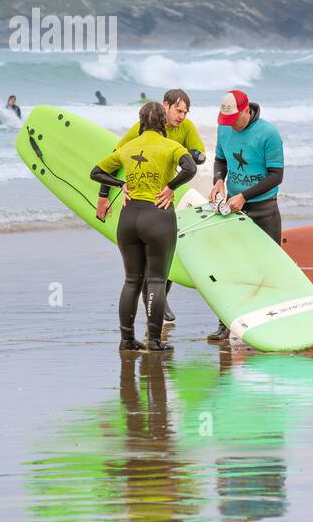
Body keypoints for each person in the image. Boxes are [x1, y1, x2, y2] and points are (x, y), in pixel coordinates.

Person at [89, 101, 197, 351]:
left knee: (131, 281)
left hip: (128, 220)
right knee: (157, 280)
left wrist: (119, 185)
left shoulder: (128, 148)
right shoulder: (171, 146)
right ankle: (155, 340)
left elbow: (96, 172)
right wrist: (171, 188)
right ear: (163, 123)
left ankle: (126, 340)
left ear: (141, 122)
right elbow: (190, 168)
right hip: (157, 218)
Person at [206, 88, 285, 341]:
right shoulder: (224, 127)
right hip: (232, 207)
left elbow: (276, 175)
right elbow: (220, 160)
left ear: (246, 111)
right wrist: (219, 180)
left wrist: (245, 196)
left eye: (235, 120)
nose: (231, 126)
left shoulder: (268, 133)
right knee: (229, 267)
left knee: (267, 269)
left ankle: (269, 325)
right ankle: (225, 324)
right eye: (226, 121)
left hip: (264, 209)